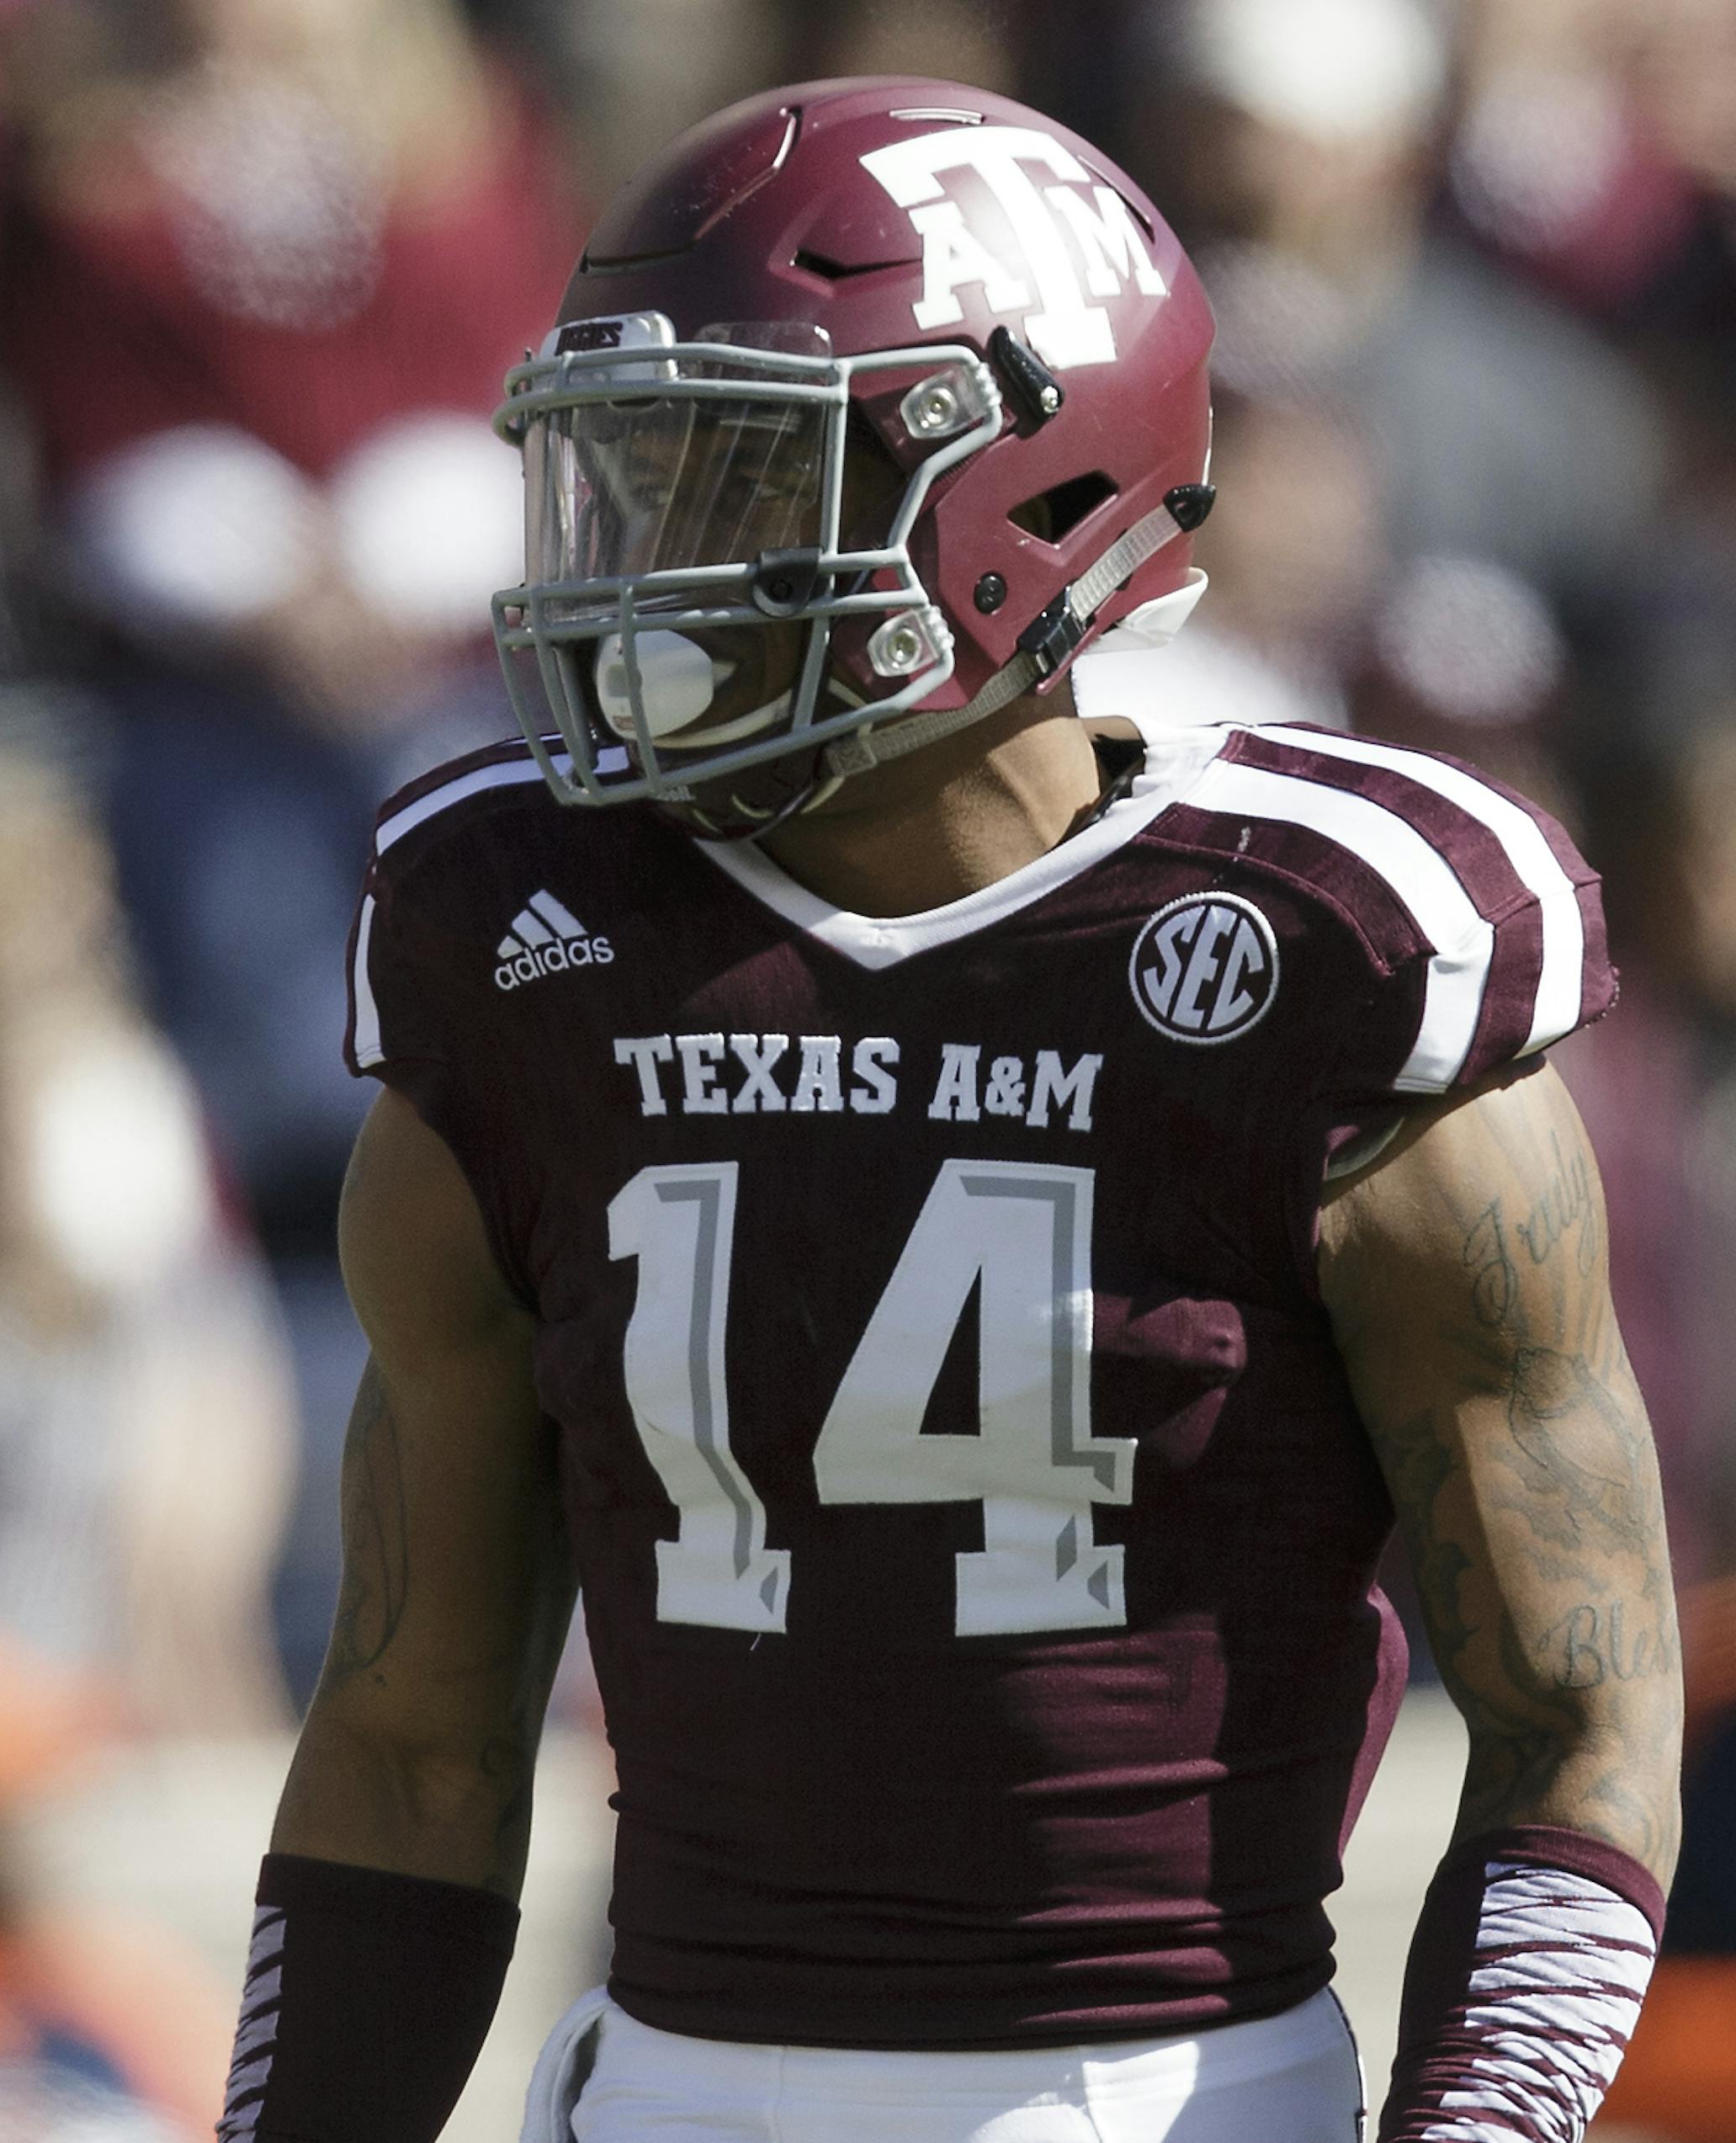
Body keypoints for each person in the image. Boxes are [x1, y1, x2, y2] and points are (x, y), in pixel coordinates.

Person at [216, 78, 1682, 2143]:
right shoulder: (520, 933)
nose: (653, 565)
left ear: (1034, 488)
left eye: (739, 476)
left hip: (1157, 2093)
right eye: (630, 480)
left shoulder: (1334, 944)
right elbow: (410, 1733)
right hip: (657, 2088)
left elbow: (1579, 1716)